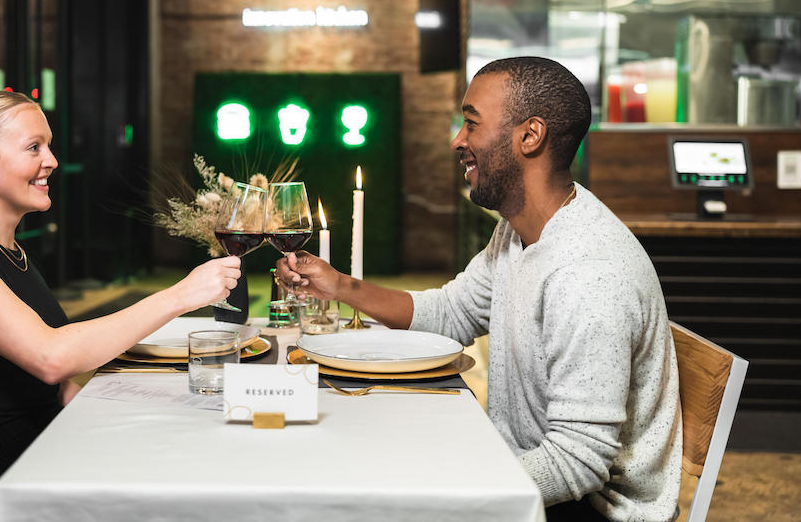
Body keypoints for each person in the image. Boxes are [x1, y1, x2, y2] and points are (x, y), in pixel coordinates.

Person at [277, 57, 682, 522]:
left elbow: (578, 463)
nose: (457, 141)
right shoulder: (520, 230)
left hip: (587, 509)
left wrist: (444, 489)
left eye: (471, 123)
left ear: (530, 136)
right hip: (526, 472)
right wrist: (339, 285)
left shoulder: (588, 272)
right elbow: (451, 313)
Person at [0, 90, 241, 521]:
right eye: (34, 147)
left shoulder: (12, 251)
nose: (51, 160)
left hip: (52, 454)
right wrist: (179, 296)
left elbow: (52, 387)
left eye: (48, 145)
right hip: (7, 484)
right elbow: (52, 358)